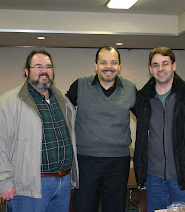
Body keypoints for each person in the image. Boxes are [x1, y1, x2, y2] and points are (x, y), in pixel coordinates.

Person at [0, 50, 78, 212]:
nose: (44, 70)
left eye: (48, 66)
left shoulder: (64, 102)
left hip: (63, 182)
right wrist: (3, 182)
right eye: (37, 66)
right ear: (27, 72)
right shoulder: (6, 103)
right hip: (29, 185)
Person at [133, 47, 185, 212]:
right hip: (153, 179)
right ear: (150, 69)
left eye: (165, 63)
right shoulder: (143, 97)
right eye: (155, 65)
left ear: (174, 66)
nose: (160, 69)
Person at [66, 46, 136, 212]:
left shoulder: (130, 88)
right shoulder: (80, 85)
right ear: (96, 65)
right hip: (86, 160)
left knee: (115, 208)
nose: (108, 67)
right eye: (103, 62)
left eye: (113, 62)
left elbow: (147, 117)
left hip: (118, 161)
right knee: (83, 207)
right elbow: (63, 113)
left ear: (119, 66)